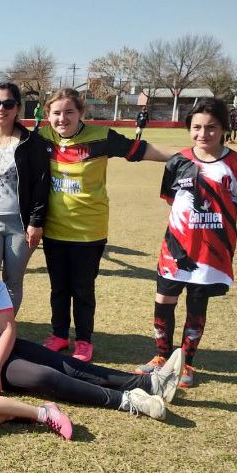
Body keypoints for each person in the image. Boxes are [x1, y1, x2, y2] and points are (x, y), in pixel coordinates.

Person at [0, 237, 184, 420]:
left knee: (69, 364)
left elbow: (8, 330)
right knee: (46, 377)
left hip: (3, 348)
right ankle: (127, 401)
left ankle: (150, 383)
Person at [30, 88, 174, 362]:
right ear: (47, 115)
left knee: (83, 289)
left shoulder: (101, 136)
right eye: (56, 113)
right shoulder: (40, 137)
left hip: (89, 230)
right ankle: (59, 335)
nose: (62, 118)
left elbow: (139, 150)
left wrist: (186, 155)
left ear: (81, 113)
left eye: (69, 112)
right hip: (54, 228)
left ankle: (84, 340)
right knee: (59, 288)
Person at [133, 99, 237, 388]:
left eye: (211, 128)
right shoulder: (178, 161)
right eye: (197, 127)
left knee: (197, 304)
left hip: (212, 251)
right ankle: (161, 358)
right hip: (176, 247)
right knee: (164, 300)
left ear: (225, 128)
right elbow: (173, 202)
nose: (203, 133)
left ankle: (186, 363)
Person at [0, 83, 50, 314]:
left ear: (18, 108)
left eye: (8, 104)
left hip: (20, 224)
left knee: (13, 282)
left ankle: (6, 331)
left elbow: (41, 184)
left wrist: (36, 222)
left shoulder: (31, 142)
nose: (1, 109)